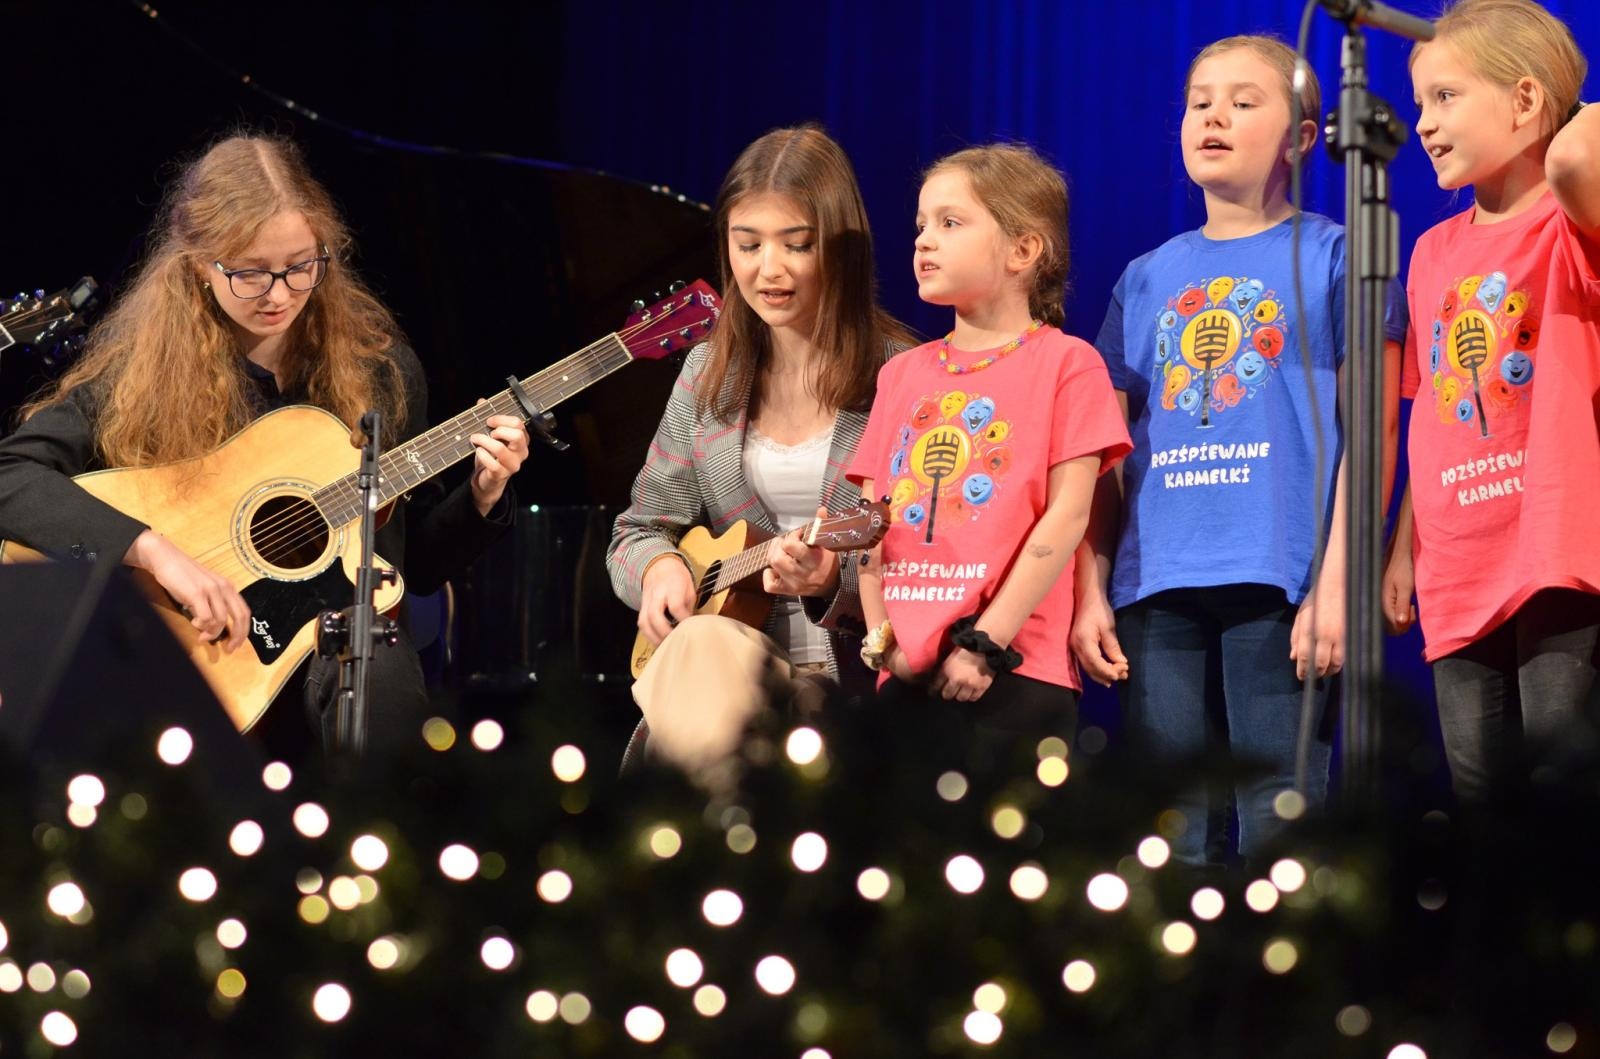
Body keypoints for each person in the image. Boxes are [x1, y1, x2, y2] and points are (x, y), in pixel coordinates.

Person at [0, 133, 526, 758]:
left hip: (336, 661)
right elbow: (12, 474)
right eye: (250, 273)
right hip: (204, 660)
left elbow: (411, 564)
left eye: (301, 265)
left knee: (376, 666)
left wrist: (484, 493)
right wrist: (155, 553)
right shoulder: (139, 376)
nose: (279, 293)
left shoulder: (381, 372)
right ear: (200, 265)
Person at [1073, 35, 1406, 868]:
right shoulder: (1145, 276)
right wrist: (1088, 587)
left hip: (1278, 578)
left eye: (1244, 101)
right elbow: (1103, 455)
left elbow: (1375, 432)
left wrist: (1338, 582)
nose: (1214, 115)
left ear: (1301, 137)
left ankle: (1280, 997)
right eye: (1199, 101)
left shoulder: (1338, 258)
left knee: (1279, 824)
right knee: (1172, 833)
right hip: (1156, 586)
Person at [606, 124, 916, 786]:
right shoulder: (706, 374)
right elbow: (637, 529)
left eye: (795, 245)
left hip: (853, 682)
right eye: (747, 244)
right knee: (702, 642)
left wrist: (833, 579)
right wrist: (659, 567)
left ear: (839, 248)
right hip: (728, 673)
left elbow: (932, 547)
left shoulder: (906, 376)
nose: (766, 269)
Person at [1382, 0, 1599, 802]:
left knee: (1562, 795)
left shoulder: (1571, 219)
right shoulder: (1433, 248)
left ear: (1525, 100)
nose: (1425, 125)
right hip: (1456, 559)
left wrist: (1567, 108)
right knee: (1482, 809)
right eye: (1418, 105)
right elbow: (1430, 414)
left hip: (1555, 550)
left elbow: (1579, 156)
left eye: (1446, 97)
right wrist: (1406, 543)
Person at [850, 143, 1130, 751]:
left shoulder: (1066, 364)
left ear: (1023, 250)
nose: (924, 240)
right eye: (921, 225)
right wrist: (882, 643)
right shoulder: (901, 374)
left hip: (1015, 669)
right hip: (904, 669)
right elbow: (870, 524)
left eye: (950, 223)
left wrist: (987, 642)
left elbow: (1069, 513)